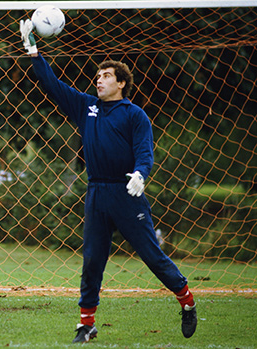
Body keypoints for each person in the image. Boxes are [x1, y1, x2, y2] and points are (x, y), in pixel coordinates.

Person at [19, 19, 197, 343]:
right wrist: (33, 51)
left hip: (126, 193)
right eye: (97, 76)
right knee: (92, 261)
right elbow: (52, 84)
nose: (99, 80)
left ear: (121, 83)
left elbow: (145, 152)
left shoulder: (134, 115)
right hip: (96, 192)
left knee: (152, 256)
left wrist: (141, 174)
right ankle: (86, 325)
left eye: (105, 76)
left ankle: (186, 300)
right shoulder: (86, 106)